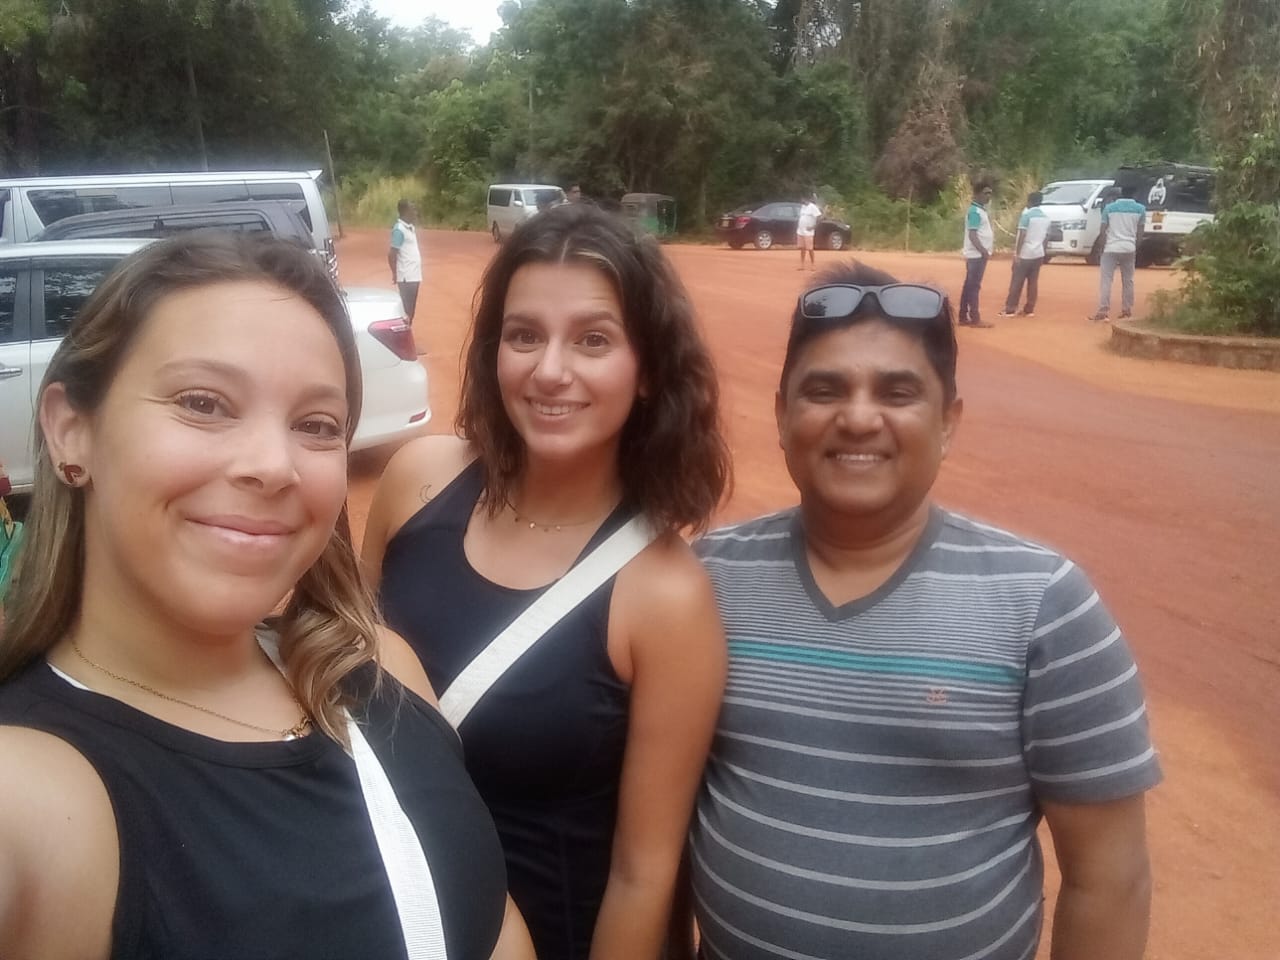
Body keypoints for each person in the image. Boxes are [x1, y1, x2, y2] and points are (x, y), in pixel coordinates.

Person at [0, 233, 534, 960]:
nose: (273, 465)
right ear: (72, 430)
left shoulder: (379, 668)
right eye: (204, 403)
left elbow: (489, 918)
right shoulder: (31, 789)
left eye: (316, 425)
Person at [680, 260, 1162, 960]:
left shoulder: (1044, 605)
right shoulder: (703, 582)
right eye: (824, 390)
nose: (858, 418)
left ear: (947, 423)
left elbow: (1109, 880)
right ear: (782, 415)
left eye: (897, 392)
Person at [362, 203, 731, 960]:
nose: (550, 370)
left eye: (593, 340)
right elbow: (339, 675)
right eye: (524, 335)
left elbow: (642, 873)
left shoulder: (663, 595)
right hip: (390, 918)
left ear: (649, 370)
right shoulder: (417, 482)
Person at [1091, 185, 1146, 322]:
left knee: (1106, 280)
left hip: (1111, 247)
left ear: (1121, 193)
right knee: (1128, 280)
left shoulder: (1109, 208)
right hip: (1129, 248)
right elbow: (1140, 232)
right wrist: (1135, 246)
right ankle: (1126, 310)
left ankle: (1103, 311)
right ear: (1134, 195)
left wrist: (1102, 247)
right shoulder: (1141, 209)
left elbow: (1103, 230)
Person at [998, 190, 1050, 317]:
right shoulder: (1046, 218)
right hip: (1038, 253)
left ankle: (1010, 309)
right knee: (1033, 283)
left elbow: (1022, 234)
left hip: (1025, 253)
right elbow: (1046, 237)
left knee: (1017, 281)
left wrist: (1017, 253)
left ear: (1030, 202)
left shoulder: (1026, 216)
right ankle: (1029, 309)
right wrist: (1043, 251)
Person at [959, 179, 995, 327]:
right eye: (986, 193)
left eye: (990, 193)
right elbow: (973, 235)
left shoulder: (979, 210)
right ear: (977, 194)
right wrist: (983, 251)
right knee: (974, 286)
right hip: (976, 255)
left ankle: (963, 316)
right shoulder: (975, 211)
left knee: (969, 286)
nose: (988, 196)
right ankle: (975, 318)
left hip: (976, 254)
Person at [388, 197, 422, 324]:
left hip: (414, 275)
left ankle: (407, 330)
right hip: (406, 277)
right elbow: (392, 254)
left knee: (410, 310)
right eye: (412, 209)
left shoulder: (409, 228)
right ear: (405, 211)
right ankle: (403, 331)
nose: (415, 212)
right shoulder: (399, 230)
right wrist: (395, 273)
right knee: (407, 311)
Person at [796, 193, 823, 271]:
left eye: (803, 198)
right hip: (800, 231)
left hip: (808, 232)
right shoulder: (803, 207)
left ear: (806, 199)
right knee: (802, 248)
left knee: (810, 249)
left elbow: (820, 217)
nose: (801, 200)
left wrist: (813, 227)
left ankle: (813, 264)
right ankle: (802, 265)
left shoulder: (813, 207)